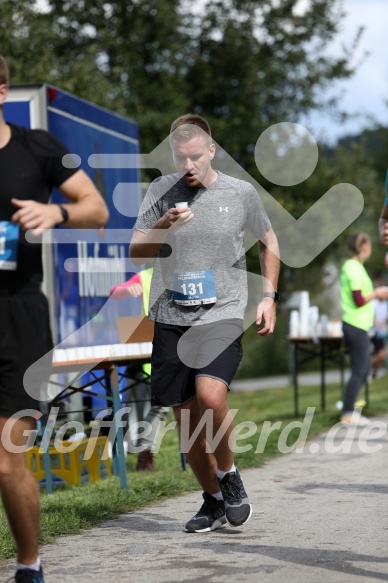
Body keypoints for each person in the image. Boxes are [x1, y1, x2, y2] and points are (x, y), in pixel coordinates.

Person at [129, 114, 279, 532]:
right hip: (170, 316)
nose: (189, 166)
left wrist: (268, 296)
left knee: (210, 397)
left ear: (212, 150)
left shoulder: (240, 193)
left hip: (223, 312)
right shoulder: (160, 191)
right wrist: (162, 225)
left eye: (196, 157)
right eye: (181, 159)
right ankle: (212, 500)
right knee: (188, 422)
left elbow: (270, 242)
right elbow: (137, 255)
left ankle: (229, 477)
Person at [0, 55, 109, 583]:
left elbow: (97, 207)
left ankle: (28, 565)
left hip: (19, 315)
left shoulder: (36, 146)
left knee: (6, 461)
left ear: (1, 92)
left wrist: (56, 213)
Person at [110, 268, 170, 471]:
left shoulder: (190, 270)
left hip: (174, 352)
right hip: (144, 357)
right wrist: (127, 290)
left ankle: (144, 454)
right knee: (145, 408)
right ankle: (142, 454)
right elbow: (115, 291)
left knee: (162, 405)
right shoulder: (146, 276)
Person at [340, 233, 388, 426]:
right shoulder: (351, 267)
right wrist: (376, 293)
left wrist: (377, 295)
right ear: (364, 247)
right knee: (361, 368)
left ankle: (348, 408)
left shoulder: (356, 268)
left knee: (362, 367)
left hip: (359, 324)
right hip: (354, 324)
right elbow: (359, 299)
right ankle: (347, 412)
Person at [370, 287, 388, 378]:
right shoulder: (373, 303)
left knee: (382, 355)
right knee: (380, 353)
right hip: (370, 332)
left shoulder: (386, 305)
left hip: (380, 333)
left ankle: (375, 373)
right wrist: (376, 322)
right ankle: (365, 365)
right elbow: (370, 318)